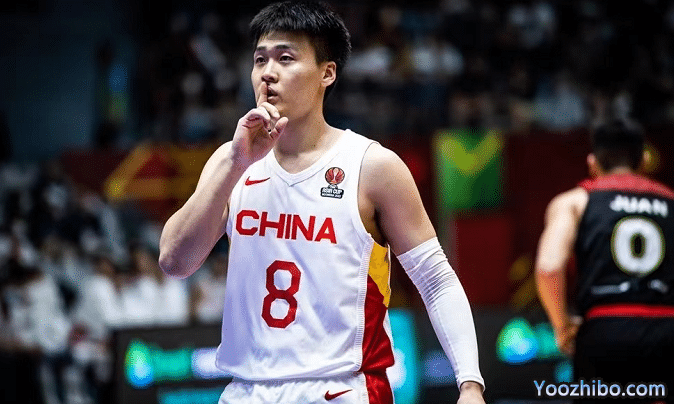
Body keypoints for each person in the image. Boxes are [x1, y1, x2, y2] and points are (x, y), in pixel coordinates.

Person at [159, 2, 485, 403]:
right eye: (260, 60)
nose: (268, 73)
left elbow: (436, 281)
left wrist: (470, 383)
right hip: (245, 390)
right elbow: (174, 263)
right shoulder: (230, 162)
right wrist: (234, 163)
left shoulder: (372, 166)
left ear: (327, 73)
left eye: (285, 58)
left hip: (342, 388)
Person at [535, 119, 674, 403]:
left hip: (604, 331)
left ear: (592, 163)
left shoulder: (574, 202)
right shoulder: (671, 202)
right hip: (667, 332)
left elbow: (548, 268)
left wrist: (562, 326)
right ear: (645, 161)